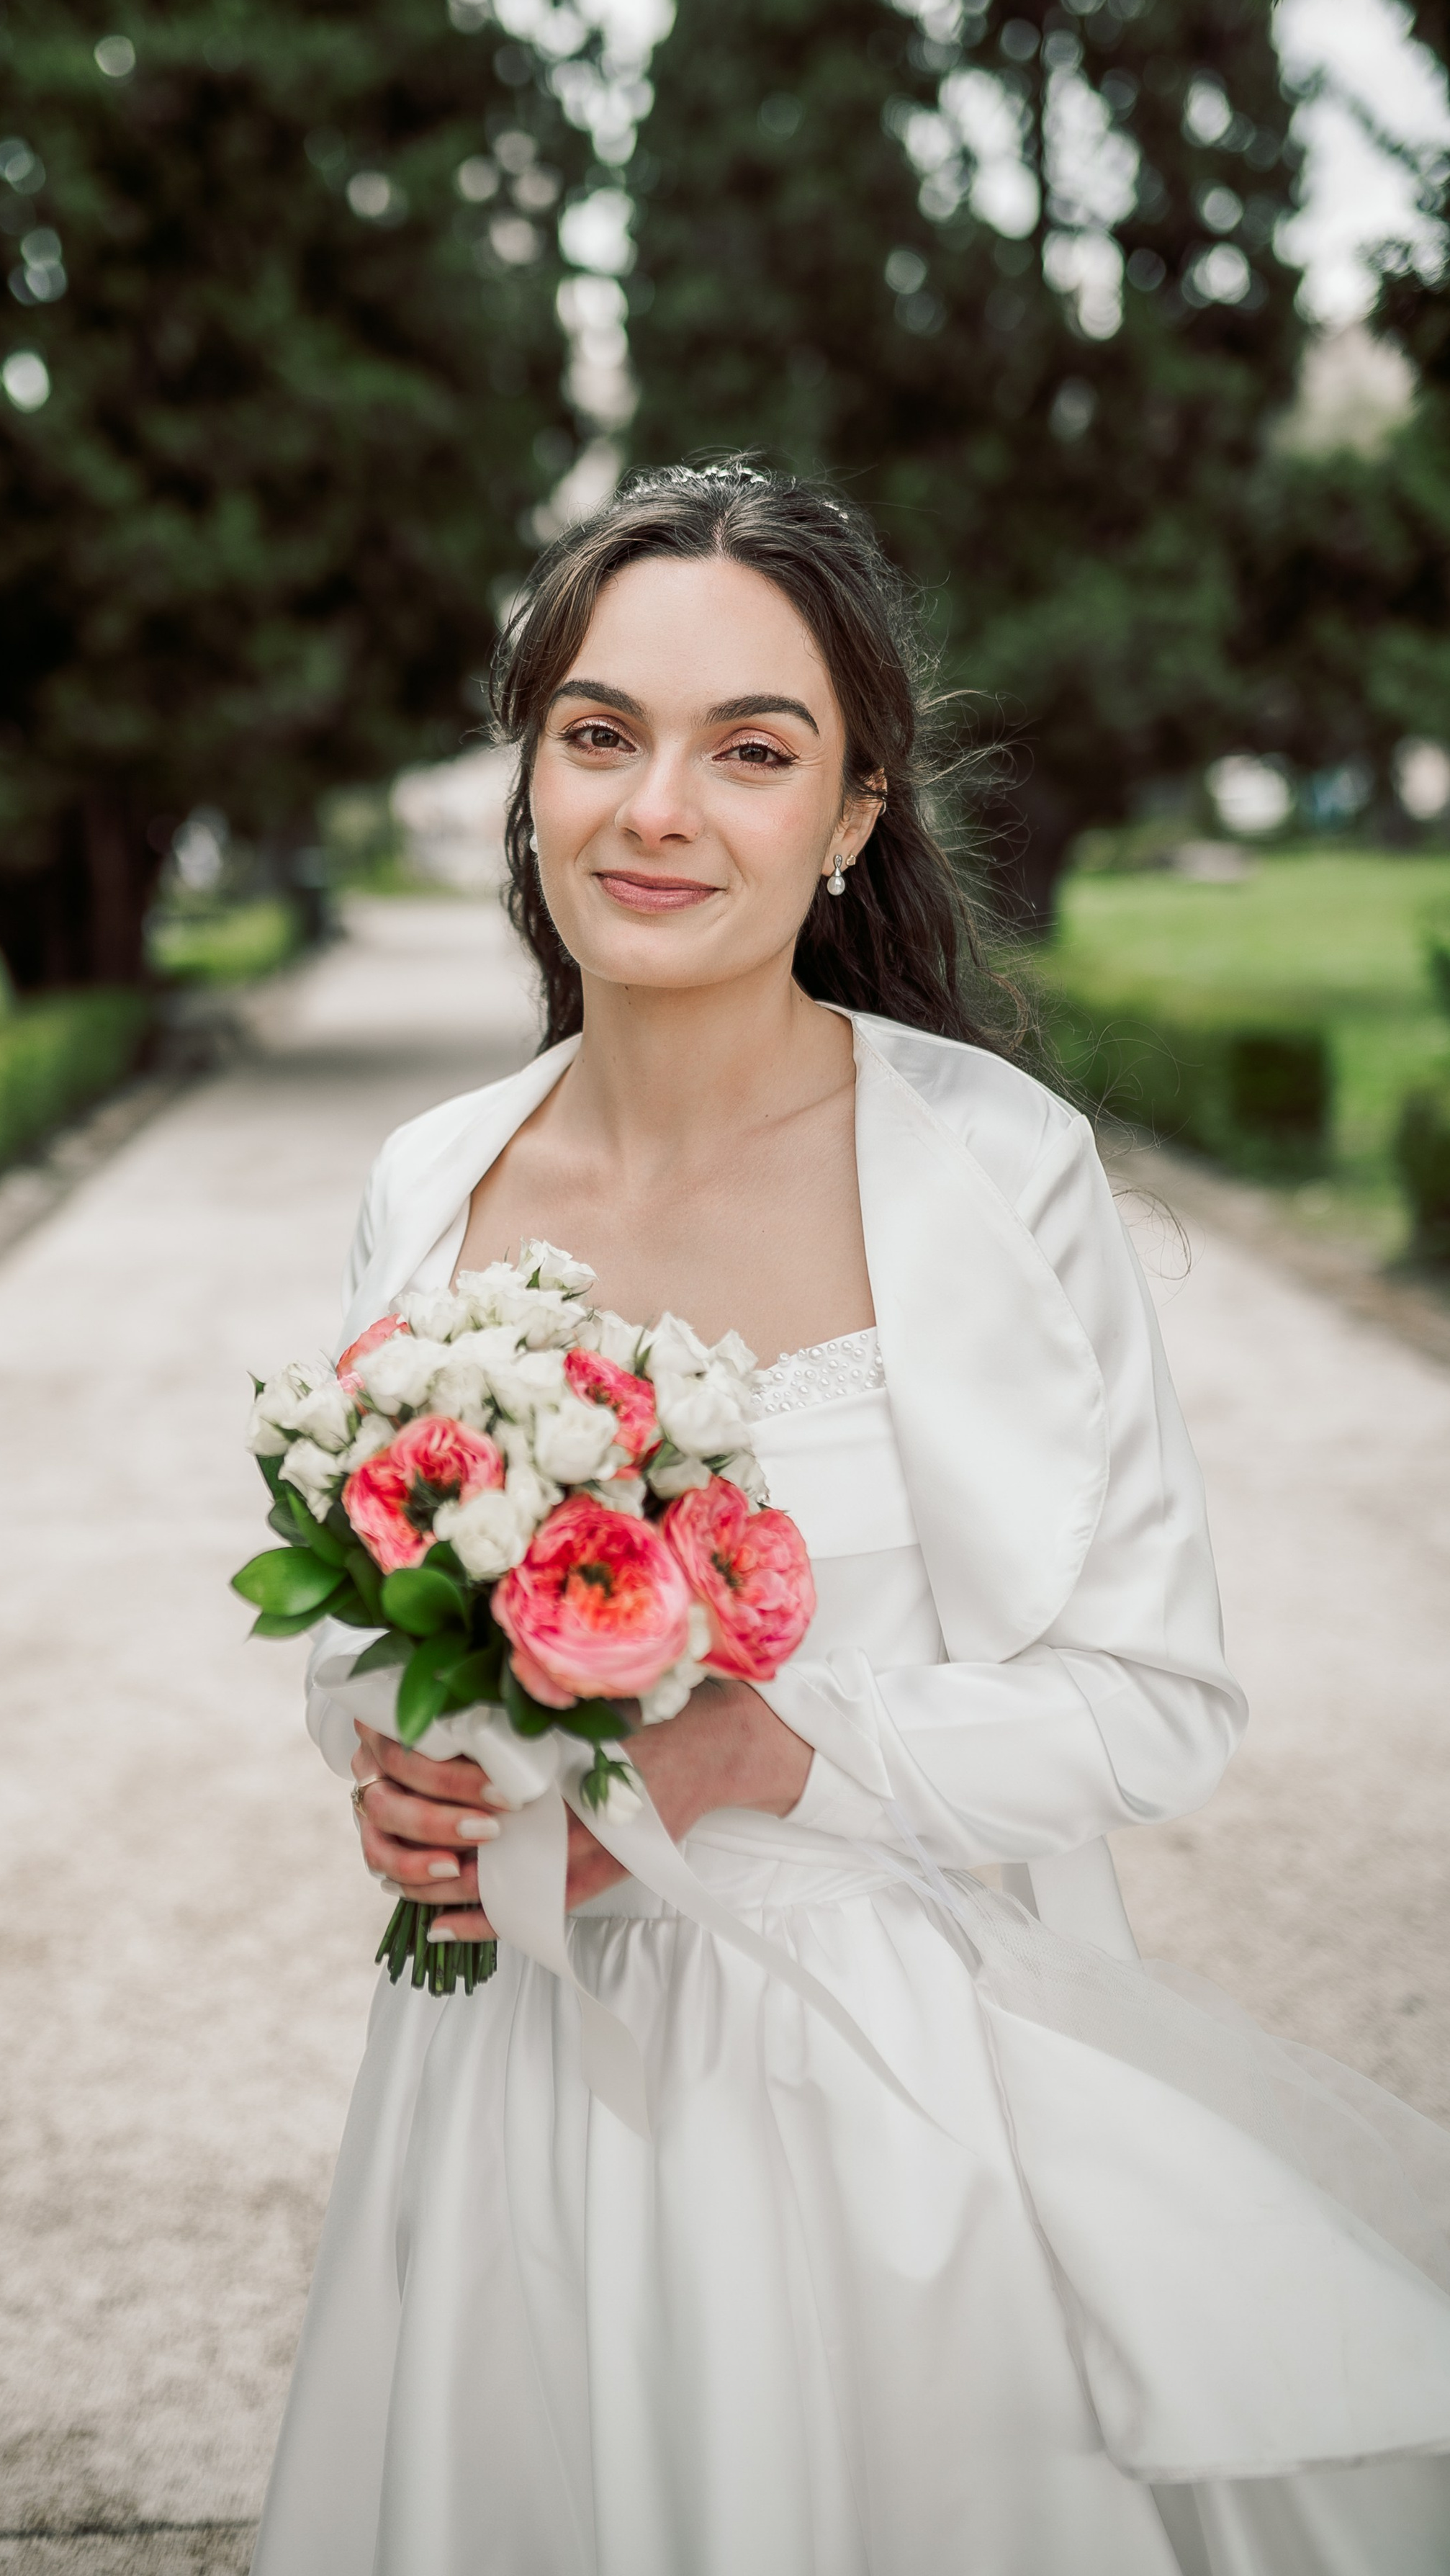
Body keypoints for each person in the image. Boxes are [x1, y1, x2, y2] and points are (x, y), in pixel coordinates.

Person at [250, 465, 1450, 2575]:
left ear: (859, 811)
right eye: (600, 734)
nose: (658, 811)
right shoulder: (430, 1180)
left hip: (894, 2128)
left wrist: (770, 1752)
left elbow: (1158, 1702)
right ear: (527, 771)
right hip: (507, 2072)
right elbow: (378, 1609)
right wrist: (401, 1768)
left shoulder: (996, 1172)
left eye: (752, 751)